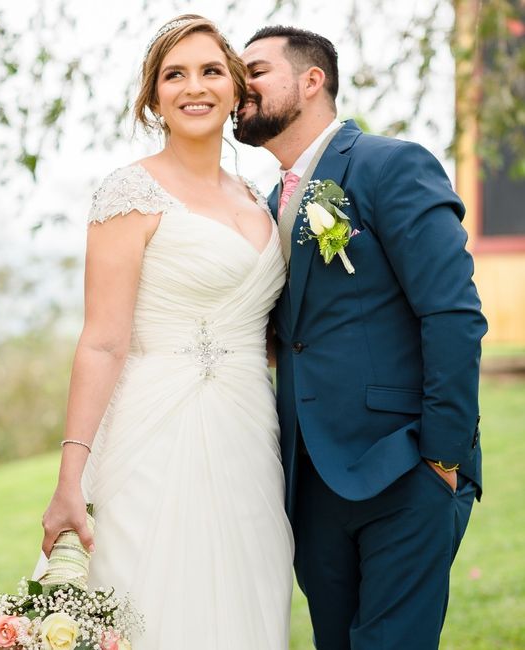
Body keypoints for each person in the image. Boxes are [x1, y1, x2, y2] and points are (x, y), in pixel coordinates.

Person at [36, 15, 294, 649]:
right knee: (150, 603)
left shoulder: (259, 198)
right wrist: (72, 476)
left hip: (250, 435)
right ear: (154, 97)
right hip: (153, 432)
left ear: (235, 88)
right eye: (173, 75)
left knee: (246, 597)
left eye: (210, 71)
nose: (193, 87)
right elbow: (101, 340)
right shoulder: (130, 193)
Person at [235, 26, 487, 650]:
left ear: (312, 80)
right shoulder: (268, 203)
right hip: (311, 481)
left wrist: (443, 460)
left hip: (404, 468)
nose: (241, 87)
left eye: (256, 72)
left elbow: (453, 314)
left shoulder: (390, 164)